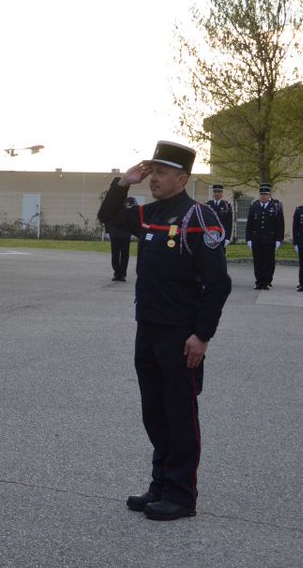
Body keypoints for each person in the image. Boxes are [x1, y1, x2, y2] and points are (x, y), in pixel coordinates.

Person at [96, 140, 231, 522]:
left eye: (161, 173)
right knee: (154, 412)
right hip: (149, 328)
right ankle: (161, 483)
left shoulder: (198, 218)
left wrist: (202, 335)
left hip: (181, 334)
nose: (153, 178)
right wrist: (124, 182)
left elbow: (218, 284)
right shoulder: (150, 214)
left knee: (179, 413)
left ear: (182, 178)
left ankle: (181, 494)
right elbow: (110, 217)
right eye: (151, 171)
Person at [245, 183, 284, 290]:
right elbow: (249, 224)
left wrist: (279, 239)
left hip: (270, 240)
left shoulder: (276, 206)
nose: (263, 196)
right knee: (257, 261)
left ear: (269, 194)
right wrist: (248, 239)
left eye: (265, 194)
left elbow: (280, 224)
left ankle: (266, 281)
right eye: (261, 194)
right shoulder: (254, 206)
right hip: (256, 239)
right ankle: (258, 281)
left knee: (268, 261)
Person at [103, 197, 136, 281]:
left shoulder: (130, 208)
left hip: (126, 235)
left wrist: (133, 232)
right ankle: (117, 273)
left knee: (125, 255)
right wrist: (107, 232)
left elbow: (133, 221)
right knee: (115, 255)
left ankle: (122, 274)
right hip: (115, 235)